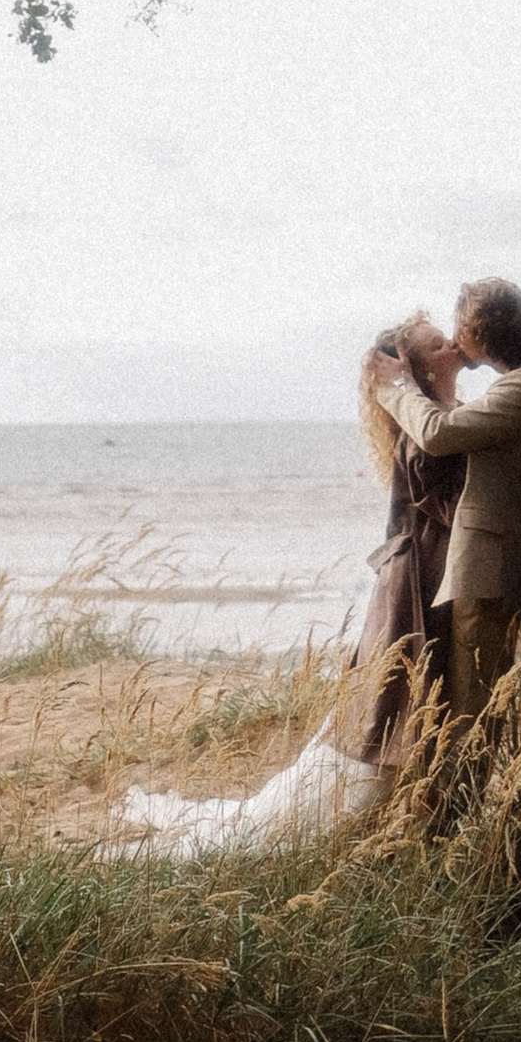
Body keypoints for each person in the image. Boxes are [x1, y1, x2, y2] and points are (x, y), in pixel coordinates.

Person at [107, 313, 465, 858]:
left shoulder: (436, 421)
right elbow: (449, 505)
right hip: (415, 587)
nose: (454, 344)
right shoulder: (424, 433)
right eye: (440, 344)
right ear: (415, 372)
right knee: (391, 708)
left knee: (400, 701)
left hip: (421, 579)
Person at [368, 276, 521, 721]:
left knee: (473, 710)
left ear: (482, 330)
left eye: (460, 327)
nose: (456, 340)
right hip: (486, 565)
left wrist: (393, 389)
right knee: (472, 702)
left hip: (489, 568)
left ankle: (467, 790)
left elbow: (439, 433)